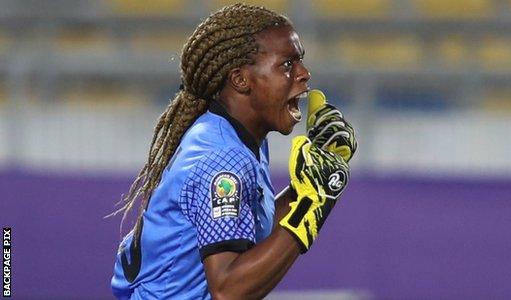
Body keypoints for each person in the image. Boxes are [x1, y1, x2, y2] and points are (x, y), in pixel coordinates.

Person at [110, 3, 357, 299]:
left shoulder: (237, 137)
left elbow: (245, 230)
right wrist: (312, 204)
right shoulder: (222, 159)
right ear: (240, 79)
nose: (304, 73)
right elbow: (228, 290)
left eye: (300, 61)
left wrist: (307, 189)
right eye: (288, 64)